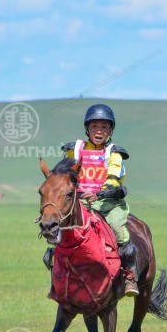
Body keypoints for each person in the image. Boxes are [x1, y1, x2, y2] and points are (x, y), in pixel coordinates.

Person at [43, 104, 138, 297]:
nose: (99, 131)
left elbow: (114, 178)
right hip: (79, 203)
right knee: (56, 226)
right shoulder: (74, 149)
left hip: (107, 204)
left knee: (119, 231)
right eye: (94, 126)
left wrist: (99, 194)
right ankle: (57, 277)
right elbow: (64, 174)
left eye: (104, 127)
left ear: (111, 130)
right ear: (87, 128)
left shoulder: (114, 152)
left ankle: (130, 276)